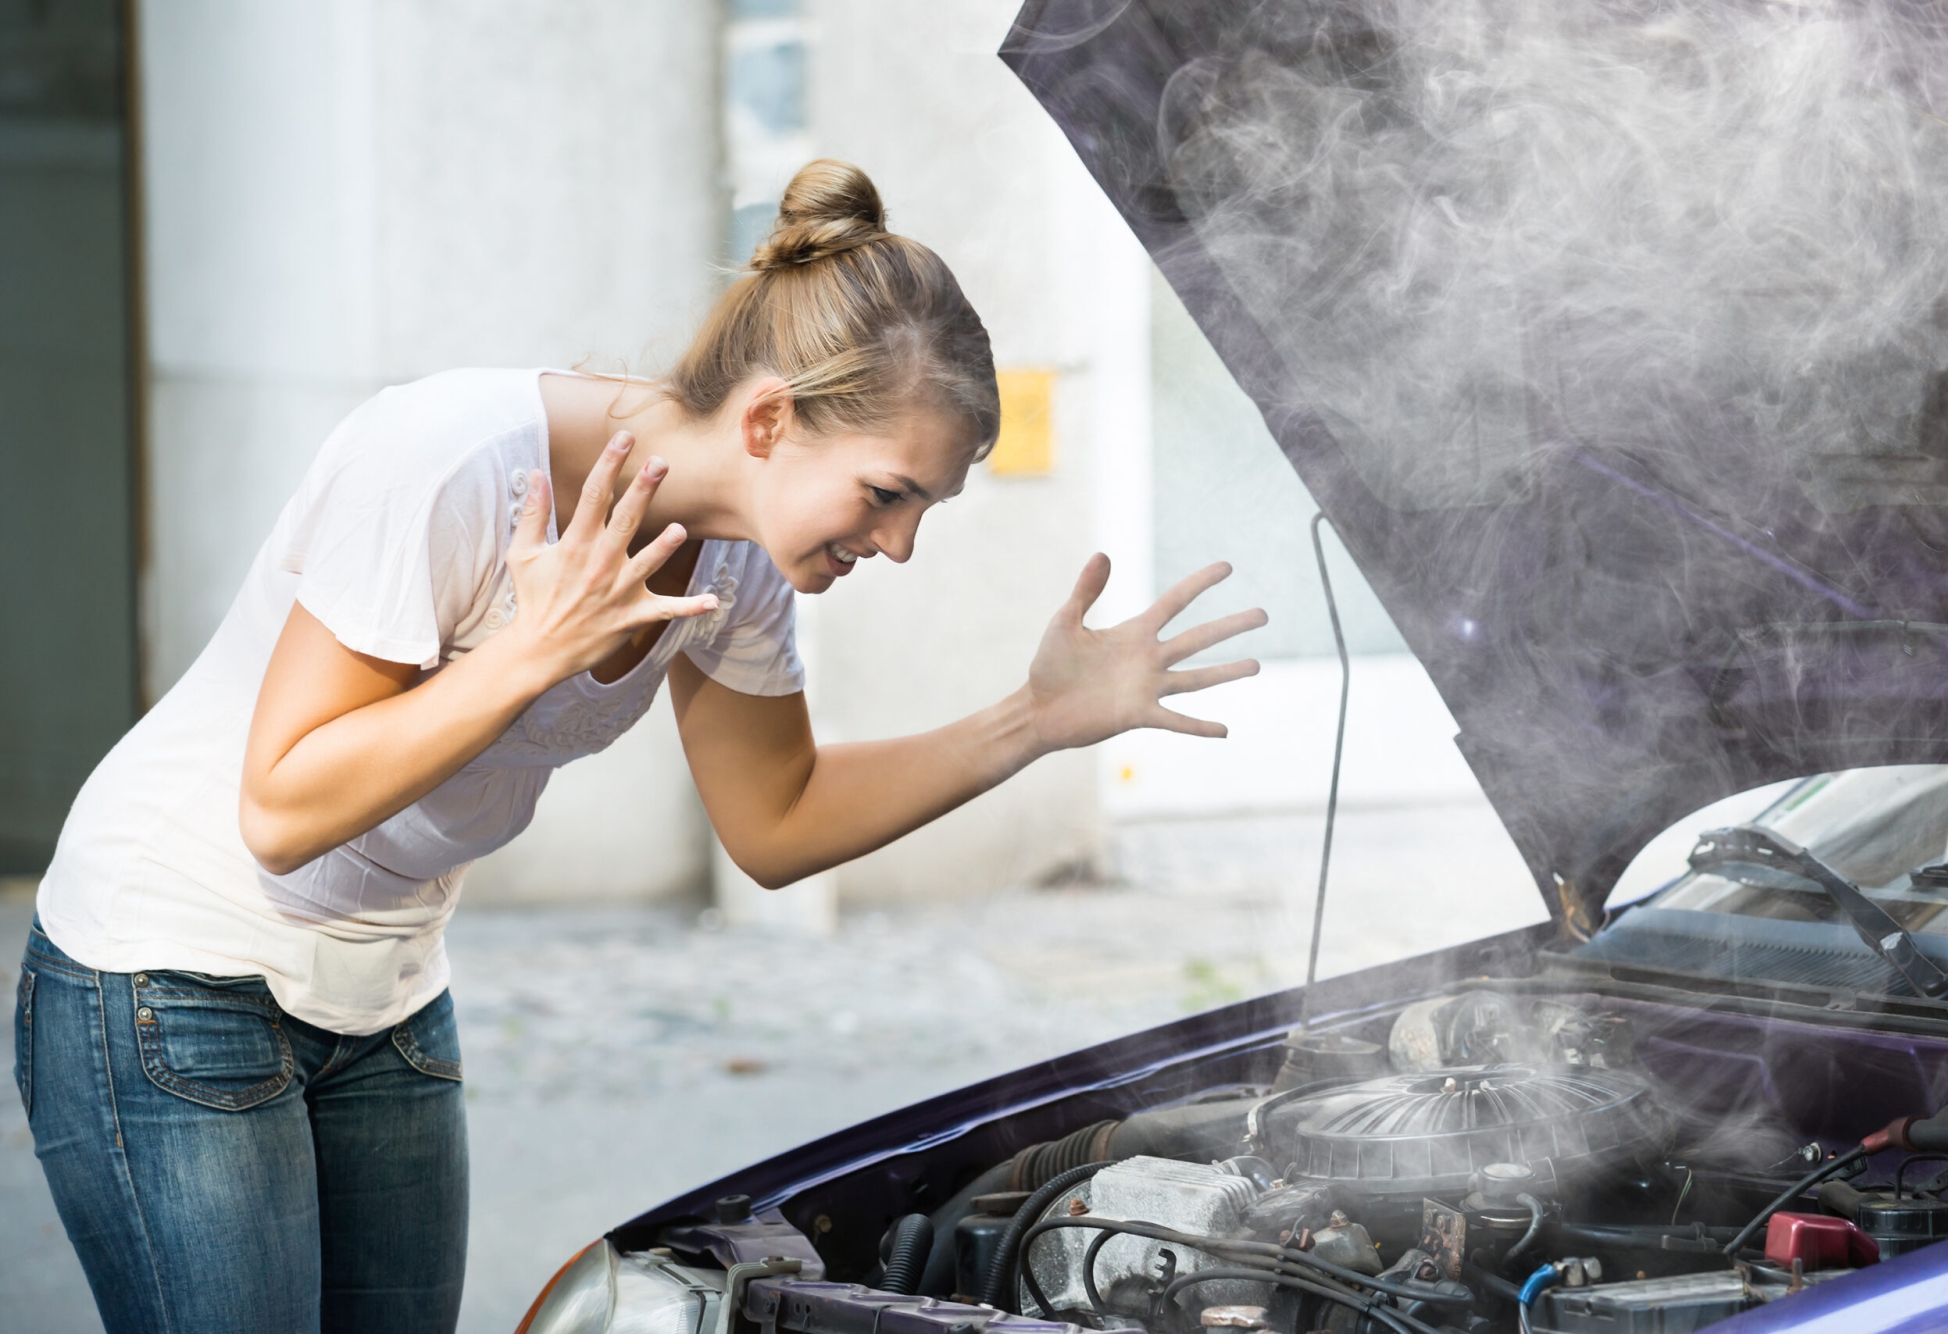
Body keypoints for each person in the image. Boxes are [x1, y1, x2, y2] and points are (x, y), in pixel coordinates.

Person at [13, 160, 1264, 1334]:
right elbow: (282, 805)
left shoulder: (741, 564)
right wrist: (529, 650)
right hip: (167, 971)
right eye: (886, 494)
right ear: (770, 421)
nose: (897, 546)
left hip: (383, 991)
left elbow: (777, 822)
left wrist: (1032, 721)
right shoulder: (449, 463)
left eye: (922, 510)